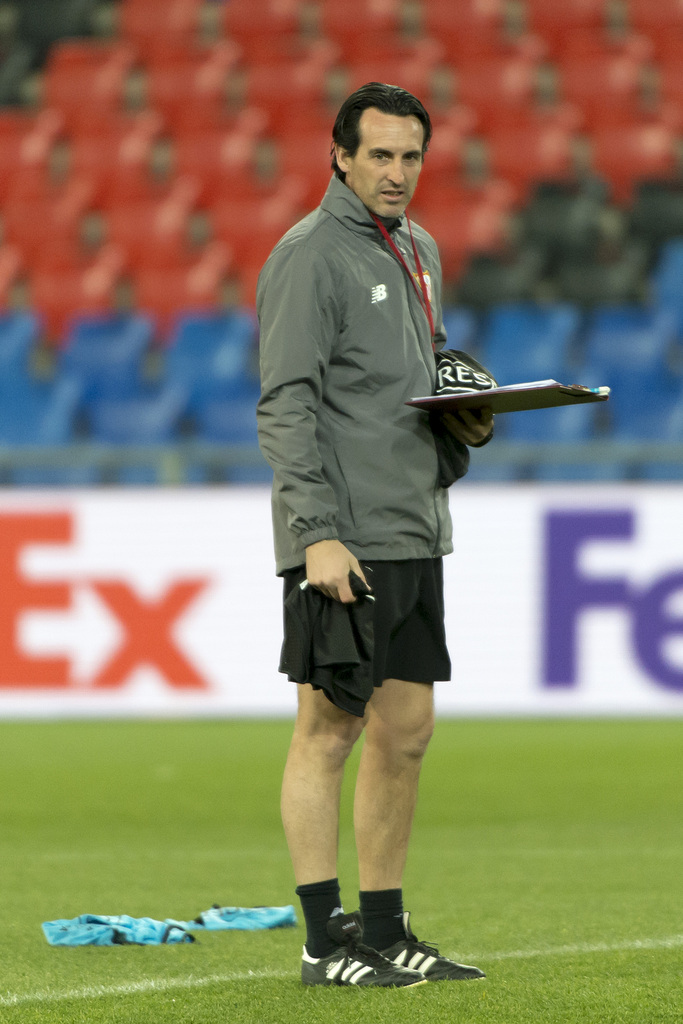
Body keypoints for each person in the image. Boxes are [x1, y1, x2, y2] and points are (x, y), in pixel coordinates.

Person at [256, 82, 493, 988]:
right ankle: (325, 943)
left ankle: (386, 931)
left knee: (407, 731)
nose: (397, 173)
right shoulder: (308, 256)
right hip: (346, 536)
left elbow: (413, 377)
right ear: (340, 157)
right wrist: (315, 533)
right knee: (329, 729)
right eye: (380, 155)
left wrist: (466, 409)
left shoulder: (418, 248)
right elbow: (286, 404)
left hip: (412, 525)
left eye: (410, 156)